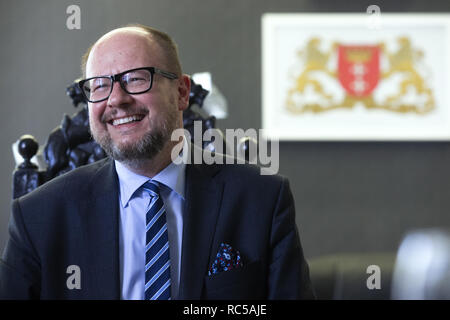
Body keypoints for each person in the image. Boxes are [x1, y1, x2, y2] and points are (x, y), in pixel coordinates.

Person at [0, 24, 314, 300]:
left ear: (181, 92)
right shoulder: (37, 217)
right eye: (99, 86)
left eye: (135, 79)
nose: (116, 99)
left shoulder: (261, 199)